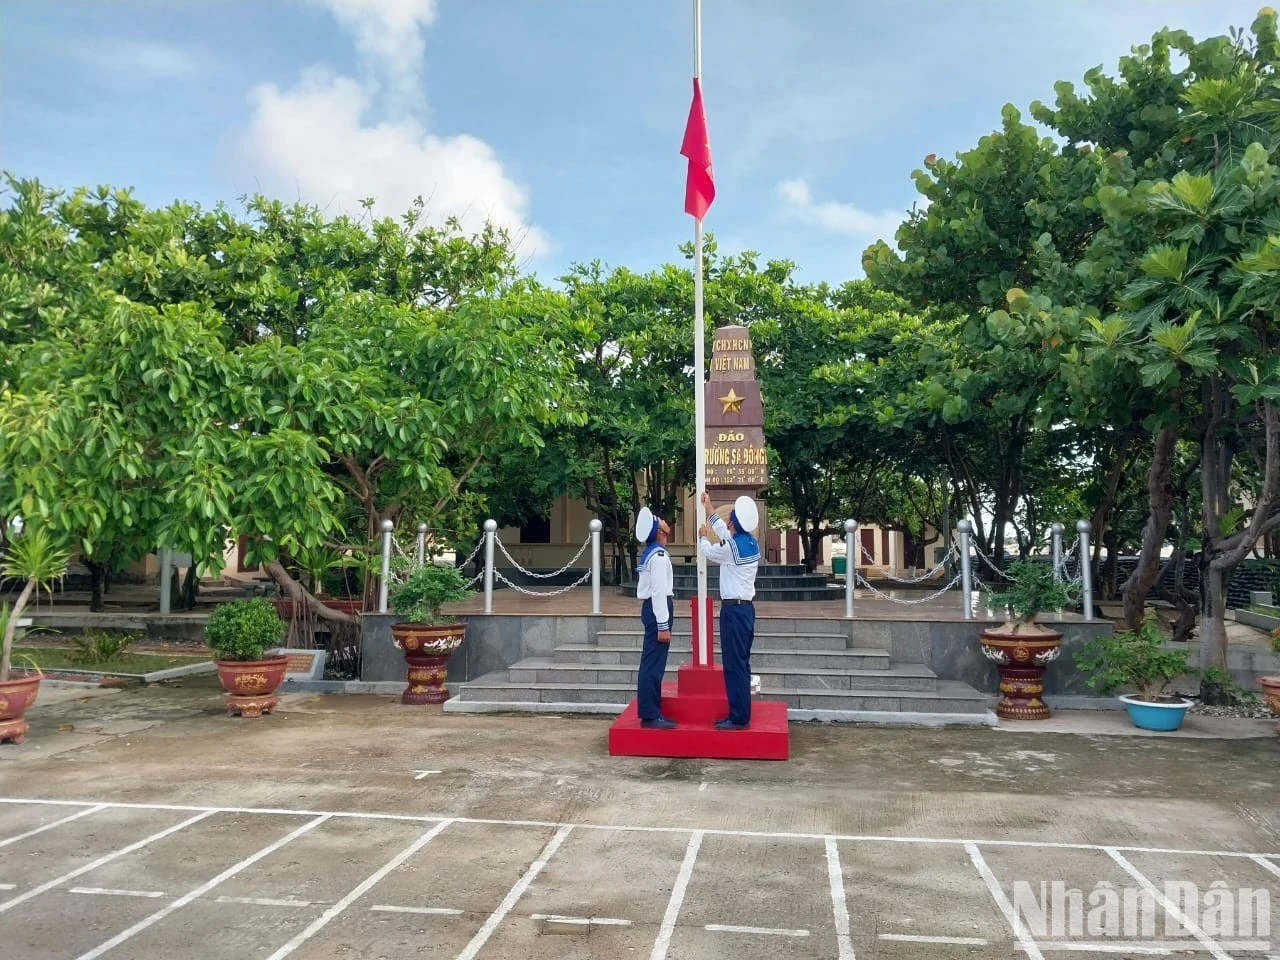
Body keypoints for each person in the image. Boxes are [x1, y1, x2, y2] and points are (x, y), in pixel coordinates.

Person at [697, 490, 759, 730]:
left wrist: (703, 537)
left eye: (728, 520)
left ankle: (738, 717)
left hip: (733, 611)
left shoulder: (732, 549)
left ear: (733, 523)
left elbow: (710, 551)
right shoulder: (749, 543)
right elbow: (724, 533)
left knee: (733, 665)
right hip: (746, 610)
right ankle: (742, 711)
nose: (726, 523)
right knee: (742, 662)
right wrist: (710, 507)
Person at [634, 506, 676, 729]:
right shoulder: (659, 556)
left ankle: (651, 711)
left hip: (652, 608)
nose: (664, 521)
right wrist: (663, 625)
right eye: (660, 520)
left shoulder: (654, 552)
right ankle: (650, 715)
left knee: (651, 662)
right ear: (660, 531)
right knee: (653, 664)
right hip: (657, 608)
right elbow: (659, 592)